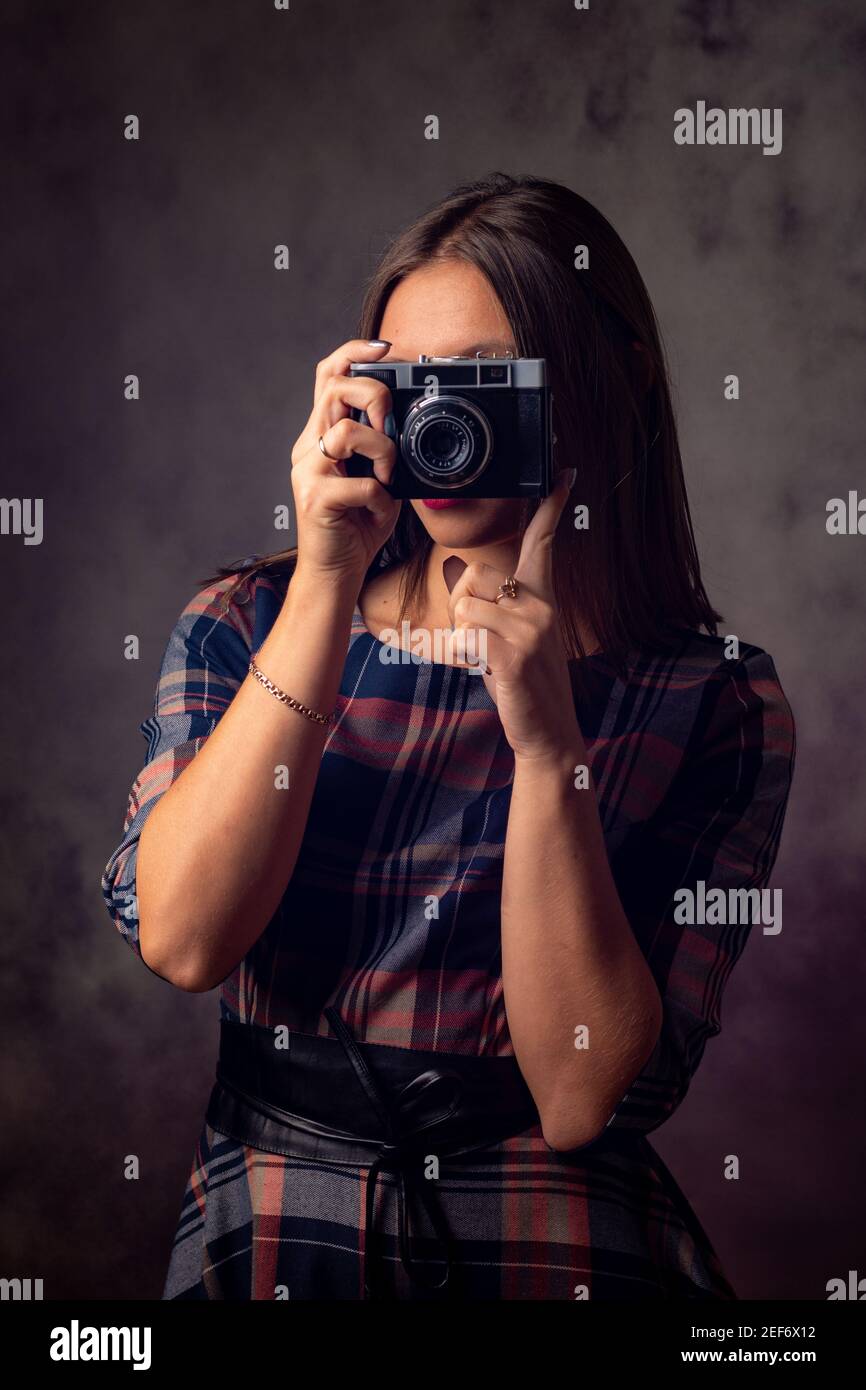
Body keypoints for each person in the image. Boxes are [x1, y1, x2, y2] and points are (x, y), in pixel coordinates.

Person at [102, 171, 795, 1300]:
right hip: (276, 1225)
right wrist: (325, 583)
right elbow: (183, 942)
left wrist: (544, 749)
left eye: (477, 382)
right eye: (402, 384)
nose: (435, 421)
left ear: (596, 388)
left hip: (547, 1247)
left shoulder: (710, 700)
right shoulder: (244, 623)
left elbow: (578, 1096)